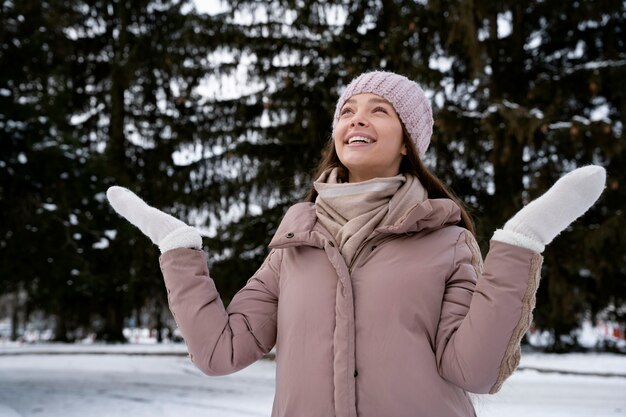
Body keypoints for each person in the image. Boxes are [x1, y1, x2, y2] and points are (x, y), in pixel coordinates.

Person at [106, 71, 606, 417]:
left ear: (409, 140)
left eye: (379, 111)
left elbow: (472, 370)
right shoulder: (294, 244)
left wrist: (521, 243)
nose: (356, 119)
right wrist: (177, 248)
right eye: (347, 111)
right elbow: (221, 351)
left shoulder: (447, 242)